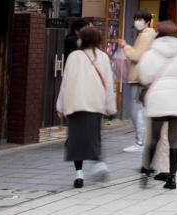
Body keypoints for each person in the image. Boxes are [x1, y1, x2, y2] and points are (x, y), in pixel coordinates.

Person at [56, 25, 115, 188]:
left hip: (75, 102)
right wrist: (110, 106)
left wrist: (60, 104)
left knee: (75, 139)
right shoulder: (103, 57)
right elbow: (108, 84)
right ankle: (99, 164)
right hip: (95, 103)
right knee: (94, 136)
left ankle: (79, 174)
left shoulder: (74, 56)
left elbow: (65, 82)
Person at [137, 20, 177, 190]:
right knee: (174, 139)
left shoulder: (151, 54)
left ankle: (146, 175)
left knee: (154, 138)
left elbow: (145, 77)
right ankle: (172, 178)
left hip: (158, 97)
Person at [117, 10, 156, 153]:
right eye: (136, 19)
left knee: (136, 110)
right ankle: (143, 141)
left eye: (140, 19)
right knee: (142, 110)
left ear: (147, 21)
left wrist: (125, 46)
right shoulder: (148, 34)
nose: (137, 22)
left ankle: (140, 142)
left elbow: (137, 56)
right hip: (143, 76)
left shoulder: (146, 35)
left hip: (139, 76)